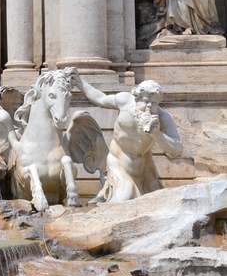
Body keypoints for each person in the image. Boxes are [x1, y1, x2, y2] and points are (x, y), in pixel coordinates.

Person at [70, 74, 182, 203]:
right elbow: (100, 99)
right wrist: (79, 82)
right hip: (118, 163)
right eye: (145, 101)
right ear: (137, 98)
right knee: (123, 199)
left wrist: (157, 134)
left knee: (156, 202)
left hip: (144, 167)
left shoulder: (163, 118)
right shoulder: (125, 101)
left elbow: (177, 149)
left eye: (154, 103)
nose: (149, 106)